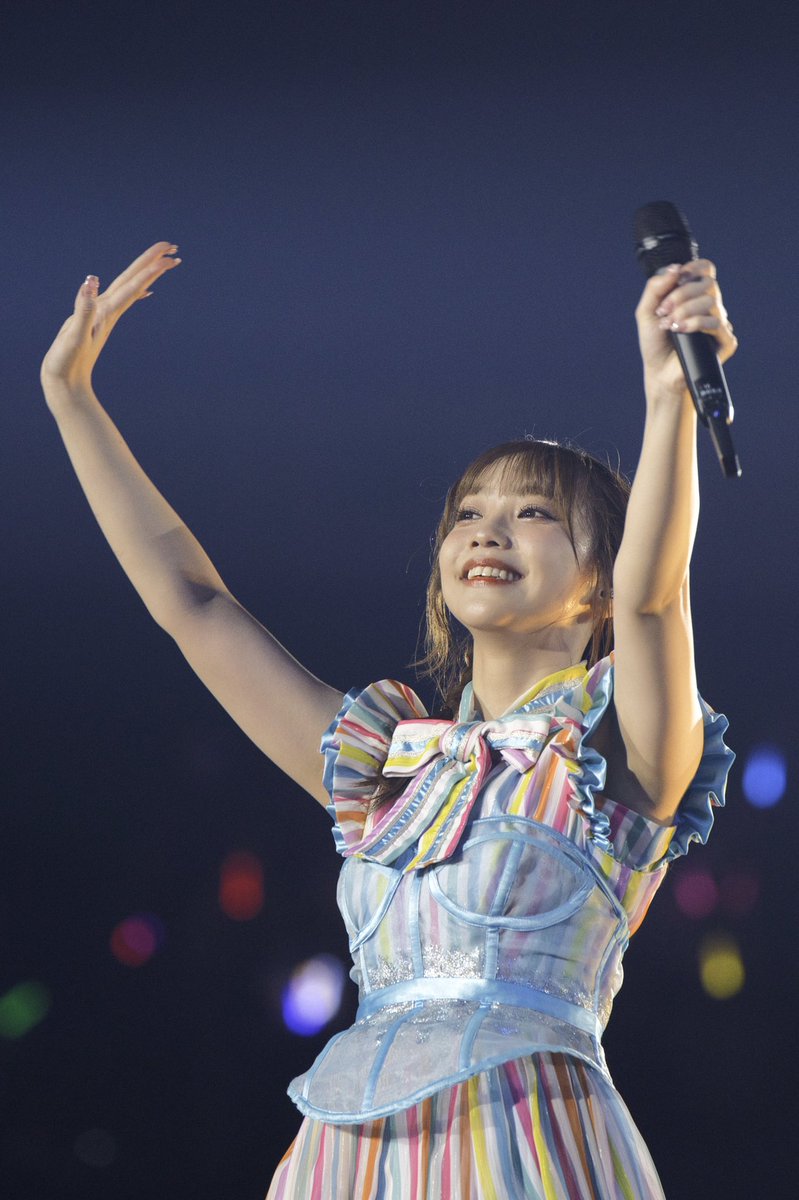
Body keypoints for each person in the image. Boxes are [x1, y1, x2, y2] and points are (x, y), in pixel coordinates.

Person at [41, 243, 735, 1199]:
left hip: (526, 1139)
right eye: (468, 512)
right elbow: (194, 607)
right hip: (351, 1159)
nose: (487, 528)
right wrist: (71, 400)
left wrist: (668, 399)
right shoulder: (388, 765)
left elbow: (657, 600)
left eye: (535, 512)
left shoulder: (615, 753)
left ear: (599, 585)